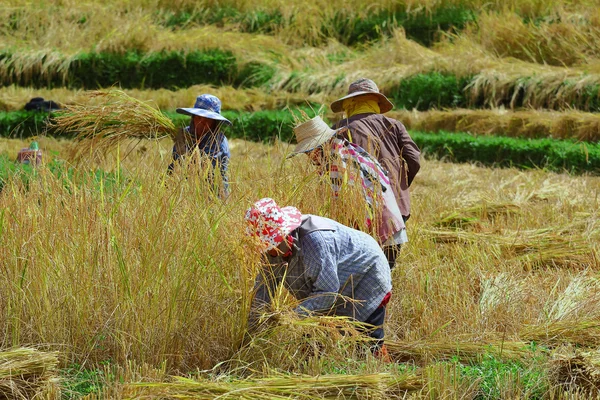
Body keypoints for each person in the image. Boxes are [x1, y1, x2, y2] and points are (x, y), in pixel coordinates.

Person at [245, 197, 393, 358]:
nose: (268, 251)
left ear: (283, 234)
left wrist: (291, 317)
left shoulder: (314, 242)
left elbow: (327, 293)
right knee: (311, 345)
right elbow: (263, 293)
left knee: (367, 343)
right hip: (333, 284)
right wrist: (249, 335)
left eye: (270, 244)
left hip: (367, 271)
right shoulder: (269, 252)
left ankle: (386, 375)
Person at [289, 116, 406, 269]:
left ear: (317, 147)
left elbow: (357, 206)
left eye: (308, 152)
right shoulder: (345, 149)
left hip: (382, 229)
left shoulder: (339, 161)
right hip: (387, 224)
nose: (308, 157)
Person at [330, 78, 421, 224]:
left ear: (350, 103)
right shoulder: (395, 125)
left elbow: (329, 166)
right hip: (396, 204)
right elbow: (414, 158)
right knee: (392, 247)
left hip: (358, 207)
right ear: (376, 102)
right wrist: (399, 185)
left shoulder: (340, 128)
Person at [168, 94, 231, 198]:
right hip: (183, 193)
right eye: (198, 118)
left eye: (208, 120)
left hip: (213, 194)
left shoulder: (219, 142)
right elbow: (175, 164)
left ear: (214, 123)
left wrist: (187, 151)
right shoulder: (185, 134)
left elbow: (204, 170)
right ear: (193, 118)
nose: (202, 123)